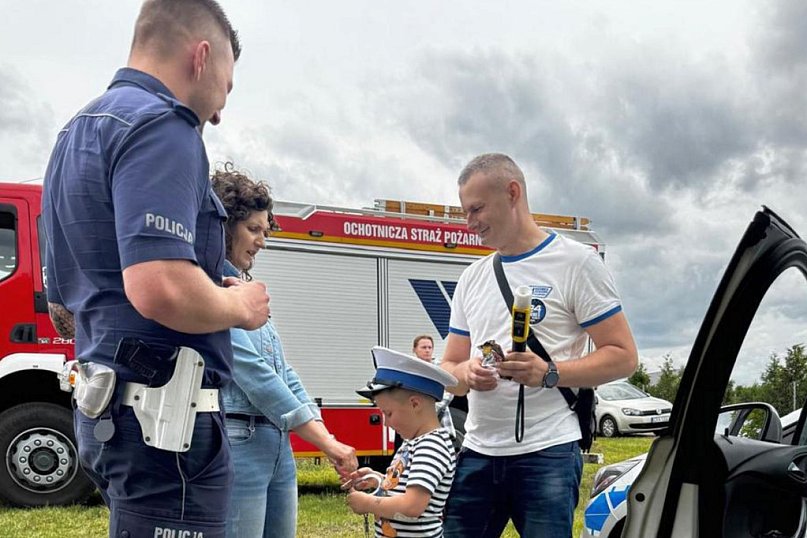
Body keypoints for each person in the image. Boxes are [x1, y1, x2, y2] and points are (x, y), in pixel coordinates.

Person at [41, 2, 269, 537]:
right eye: (227, 87)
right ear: (201, 56)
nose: (220, 112)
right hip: (167, 426)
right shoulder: (164, 126)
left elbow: (61, 308)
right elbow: (159, 286)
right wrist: (239, 304)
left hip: (111, 414)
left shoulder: (75, 134)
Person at [440, 153, 638, 537]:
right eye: (465, 212)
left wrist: (548, 372)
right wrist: (467, 372)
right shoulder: (472, 278)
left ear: (512, 193)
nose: (469, 223)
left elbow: (623, 357)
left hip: (548, 452)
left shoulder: (576, 263)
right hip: (478, 451)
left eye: (477, 209)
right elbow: (448, 368)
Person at [211, 165, 359, 537]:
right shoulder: (213, 289)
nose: (262, 241)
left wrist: (325, 435)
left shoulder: (244, 290)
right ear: (225, 226)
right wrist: (327, 443)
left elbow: (283, 372)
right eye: (253, 229)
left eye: (265, 231)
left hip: (277, 441)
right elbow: (254, 375)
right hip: (239, 439)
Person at [344, 347, 458, 538]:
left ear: (415, 404)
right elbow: (407, 486)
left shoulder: (431, 447)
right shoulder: (413, 442)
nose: (386, 423)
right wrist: (379, 479)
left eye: (388, 413)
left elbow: (412, 506)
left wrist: (368, 504)